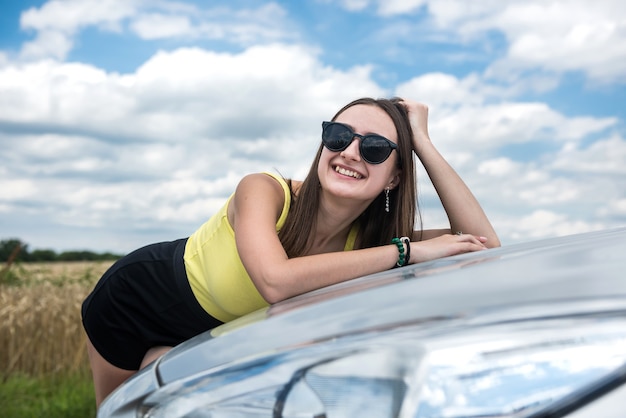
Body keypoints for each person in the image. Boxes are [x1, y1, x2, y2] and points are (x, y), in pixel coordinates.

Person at [81, 97, 500, 407]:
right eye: (338, 137)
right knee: (121, 411)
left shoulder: (371, 244)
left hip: (211, 335)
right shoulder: (264, 189)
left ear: (394, 178)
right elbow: (275, 281)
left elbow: (483, 245)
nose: (350, 152)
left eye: (375, 148)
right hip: (137, 302)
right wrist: (404, 252)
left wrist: (422, 142)